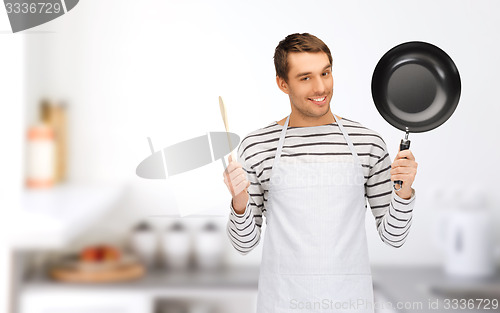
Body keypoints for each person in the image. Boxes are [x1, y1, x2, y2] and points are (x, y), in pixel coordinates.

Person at [222, 33, 417, 313]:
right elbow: (244, 244)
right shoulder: (257, 146)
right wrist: (239, 202)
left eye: (325, 73)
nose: (320, 87)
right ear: (282, 84)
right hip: (282, 303)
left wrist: (404, 191)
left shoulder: (367, 143)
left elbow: (393, 237)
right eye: (305, 78)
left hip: (350, 304)